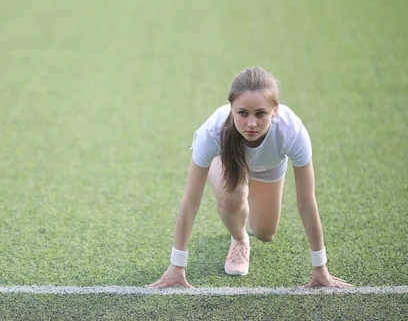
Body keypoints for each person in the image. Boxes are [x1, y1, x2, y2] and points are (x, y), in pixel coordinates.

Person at [146, 67, 352, 289]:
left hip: (268, 167)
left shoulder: (292, 132)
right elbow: (191, 200)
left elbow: (306, 201)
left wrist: (320, 267)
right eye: (242, 113)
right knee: (232, 198)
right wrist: (177, 265)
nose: (251, 123)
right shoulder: (213, 133)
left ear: (275, 111)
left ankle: (250, 213)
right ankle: (239, 239)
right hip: (228, 161)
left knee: (265, 233)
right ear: (232, 109)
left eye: (260, 113)